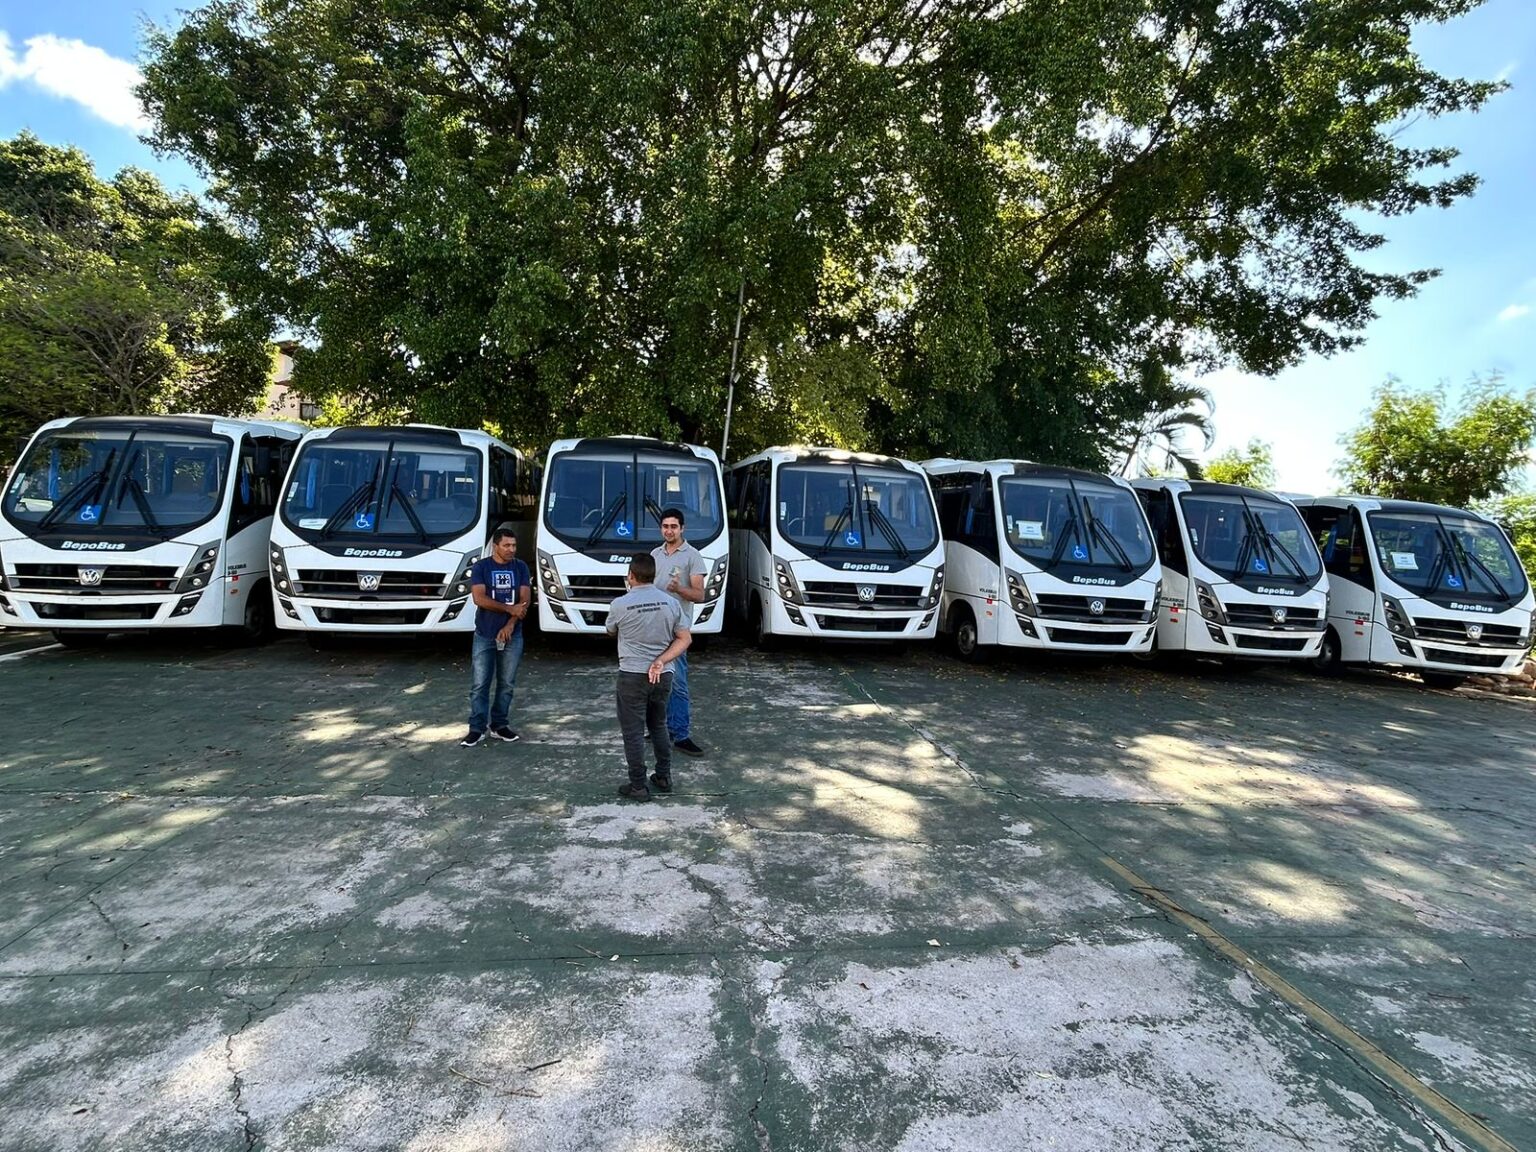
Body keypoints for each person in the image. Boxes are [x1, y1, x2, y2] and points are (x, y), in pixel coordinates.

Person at [606, 552, 691, 801]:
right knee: (658, 725)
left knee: (633, 731)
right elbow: (685, 638)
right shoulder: (671, 603)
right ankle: (663, 776)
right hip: (663, 674)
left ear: (630, 576)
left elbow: (610, 630)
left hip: (632, 674)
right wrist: (661, 660)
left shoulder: (619, 604)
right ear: (653, 575)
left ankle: (638, 785)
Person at [460, 525, 531, 747]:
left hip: (513, 635)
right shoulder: (481, 567)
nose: (512, 549)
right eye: (506, 545)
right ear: (495, 546)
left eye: (514, 545)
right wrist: (509, 609)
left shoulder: (520, 567)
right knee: (480, 684)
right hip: (485, 633)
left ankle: (499, 725)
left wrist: (510, 624)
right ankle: (477, 728)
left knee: (506, 683)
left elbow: (524, 601)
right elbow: (479, 598)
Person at [650, 507, 707, 757]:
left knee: (678, 683)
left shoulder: (693, 556)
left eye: (673, 526)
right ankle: (658, 729)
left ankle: (681, 735)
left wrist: (679, 589)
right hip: (653, 628)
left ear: (682, 528)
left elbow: (699, 595)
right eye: (665, 526)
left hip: (677, 631)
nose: (669, 531)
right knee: (653, 681)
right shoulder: (654, 554)